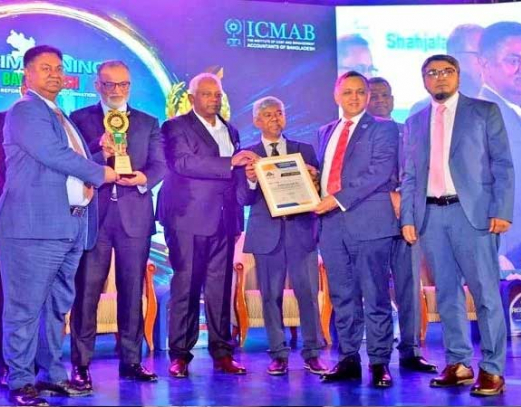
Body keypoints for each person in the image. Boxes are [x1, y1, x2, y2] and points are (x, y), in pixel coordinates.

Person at [0, 45, 117, 406]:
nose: (55, 74)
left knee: (55, 308)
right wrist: (102, 172)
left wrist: (100, 154)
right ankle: (20, 380)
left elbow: (62, 163)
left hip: (68, 224)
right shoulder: (25, 109)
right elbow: (51, 154)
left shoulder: (59, 114)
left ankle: (51, 375)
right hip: (32, 227)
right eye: (45, 68)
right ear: (27, 74)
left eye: (59, 68)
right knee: (25, 308)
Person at [401, 54, 514, 397]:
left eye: (447, 71)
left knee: (485, 294)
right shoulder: (414, 122)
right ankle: (459, 363)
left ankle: (492, 369)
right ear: (424, 80)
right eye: (432, 73)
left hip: (473, 216)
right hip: (431, 217)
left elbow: (503, 164)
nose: (440, 77)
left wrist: (502, 210)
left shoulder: (484, 111)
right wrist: (408, 217)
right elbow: (410, 175)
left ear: (459, 76)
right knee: (447, 294)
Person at [68, 60, 165, 389]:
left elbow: (159, 164)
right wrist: (99, 149)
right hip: (94, 216)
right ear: (97, 85)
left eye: (123, 84)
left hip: (134, 217)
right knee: (87, 293)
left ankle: (132, 361)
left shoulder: (148, 122)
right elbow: (73, 161)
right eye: (109, 84)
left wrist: (143, 179)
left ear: (130, 87)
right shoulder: (79, 119)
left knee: (132, 291)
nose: (116, 90)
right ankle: (81, 364)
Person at [157, 72, 257, 378]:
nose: (213, 99)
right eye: (206, 93)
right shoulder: (175, 127)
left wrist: (249, 181)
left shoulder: (231, 130)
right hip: (187, 218)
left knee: (220, 289)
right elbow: (182, 162)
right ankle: (180, 355)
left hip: (225, 221)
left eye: (217, 94)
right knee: (185, 286)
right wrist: (231, 162)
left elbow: (236, 176)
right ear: (191, 98)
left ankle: (222, 353)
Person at [315, 71, 398, 388]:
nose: (354, 97)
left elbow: (379, 173)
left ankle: (379, 362)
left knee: (375, 295)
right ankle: (348, 358)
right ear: (336, 95)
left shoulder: (383, 129)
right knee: (342, 295)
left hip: (370, 222)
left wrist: (336, 199)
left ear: (367, 96)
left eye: (360, 92)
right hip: (331, 226)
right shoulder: (325, 131)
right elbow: (326, 173)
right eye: (347, 92)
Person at [237, 96, 328, 376]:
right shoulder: (248, 156)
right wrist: (251, 179)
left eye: (279, 113)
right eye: (268, 114)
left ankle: (313, 353)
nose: (275, 118)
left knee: (308, 295)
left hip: (301, 232)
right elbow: (243, 198)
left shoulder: (304, 150)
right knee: (270, 297)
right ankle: (278, 354)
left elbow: (319, 192)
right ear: (257, 121)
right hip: (267, 236)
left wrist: (314, 178)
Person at [367, 77, 437, 374]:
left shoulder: (408, 131)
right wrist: (387, 194)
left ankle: (411, 350)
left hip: (407, 221)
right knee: (376, 290)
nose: (380, 100)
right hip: (371, 221)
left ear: (393, 100)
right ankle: (379, 356)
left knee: (409, 286)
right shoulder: (358, 136)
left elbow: (421, 171)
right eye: (374, 95)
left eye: (385, 95)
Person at [478, 21, 521, 268]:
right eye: (513, 60)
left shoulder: (516, 110)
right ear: (485, 65)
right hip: (516, 250)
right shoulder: (493, 115)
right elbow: (519, 189)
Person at [0, 77, 27, 389]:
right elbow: (7, 167)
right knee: (9, 295)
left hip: (53, 220)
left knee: (45, 297)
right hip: (13, 215)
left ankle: (38, 363)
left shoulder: (61, 122)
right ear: (24, 88)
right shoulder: (1, 120)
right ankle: (7, 363)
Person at [409, 24, 484, 116]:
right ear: (454, 57)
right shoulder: (422, 111)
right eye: (479, 54)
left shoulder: (496, 105)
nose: (485, 61)